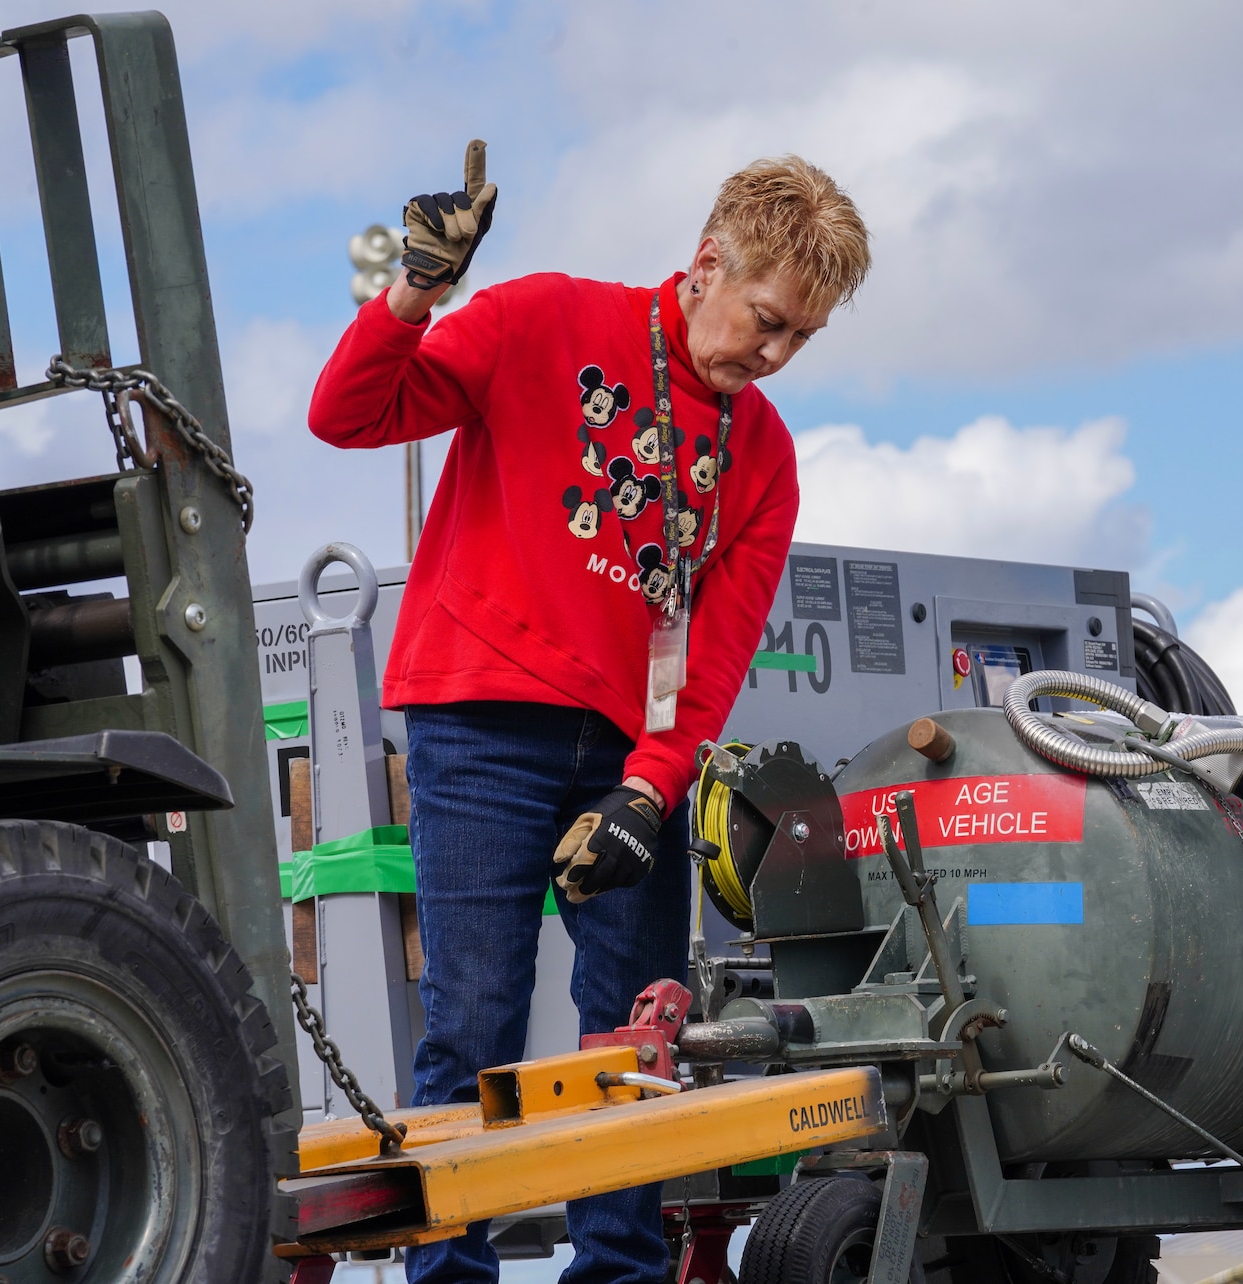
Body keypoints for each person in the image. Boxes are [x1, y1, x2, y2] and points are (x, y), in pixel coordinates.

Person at [308, 146, 870, 1283]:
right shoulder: (540, 322)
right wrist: (410, 292)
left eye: (799, 339)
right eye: (764, 321)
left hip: (630, 757)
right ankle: (448, 1275)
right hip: (480, 721)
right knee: (472, 1014)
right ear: (706, 263)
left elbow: (709, 662)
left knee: (632, 1031)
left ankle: (613, 1274)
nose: (772, 356)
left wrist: (650, 787)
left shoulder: (760, 453)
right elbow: (345, 414)